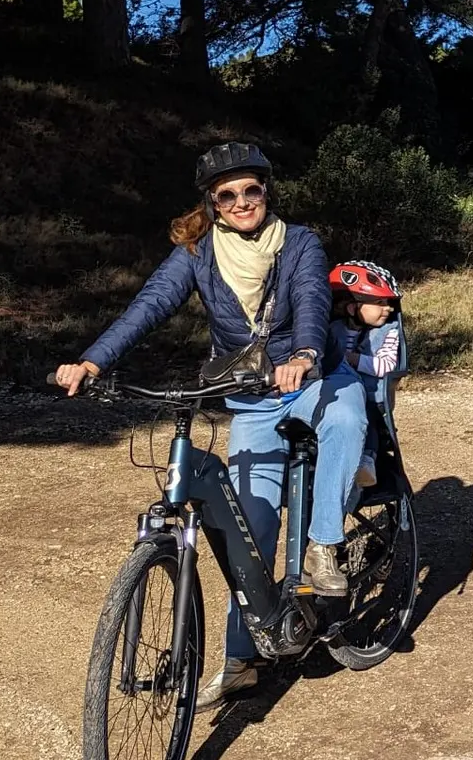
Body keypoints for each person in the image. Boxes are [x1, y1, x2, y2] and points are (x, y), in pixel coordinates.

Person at [54, 143, 367, 709]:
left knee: (346, 414)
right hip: (250, 398)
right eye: (229, 194)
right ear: (214, 204)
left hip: (312, 379)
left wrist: (303, 354)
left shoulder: (300, 243)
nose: (242, 201)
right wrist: (94, 360)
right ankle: (240, 659)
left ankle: (325, 543)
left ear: (266, 193)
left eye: (252, 190)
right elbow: (149, 306)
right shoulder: (197, 253)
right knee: (245, 530)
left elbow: (312, 300)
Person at [326, 260, 410, 489]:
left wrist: (353, 360)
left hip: (371, 396)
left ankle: (367, 460)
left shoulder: (387, 333)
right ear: (353, 307)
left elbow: (386, 366)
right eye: (380, 303)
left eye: (389, 303)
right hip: (336, 393)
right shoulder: (332, 331)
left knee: (367, 417)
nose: (389, 309)